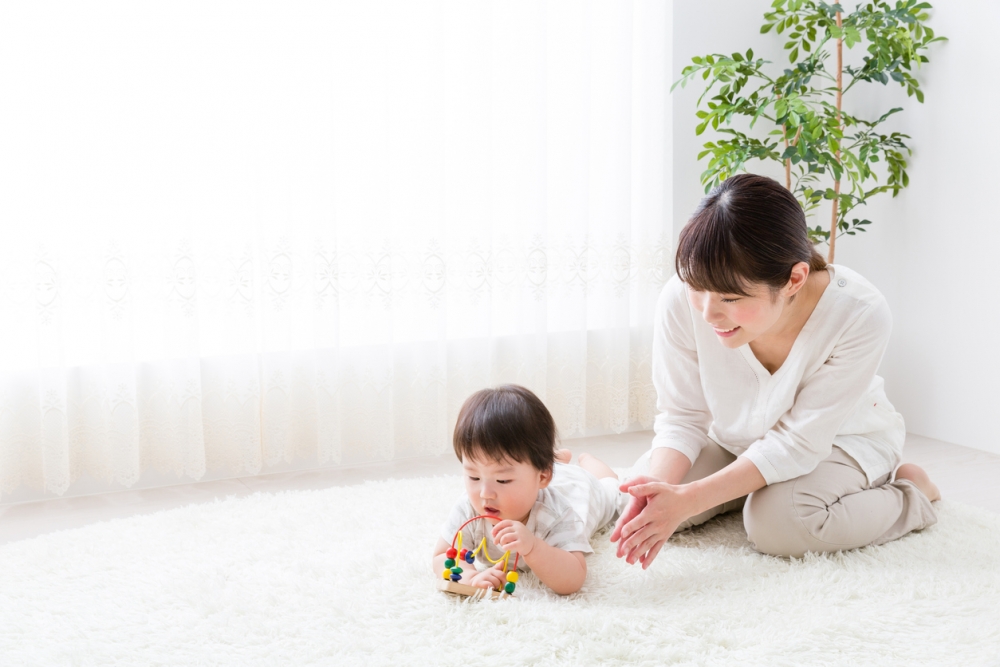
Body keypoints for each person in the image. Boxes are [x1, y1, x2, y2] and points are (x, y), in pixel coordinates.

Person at [610, 173, 940, 568]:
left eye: (730, 298)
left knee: (779, 526)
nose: (708, 312)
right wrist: (657, 493)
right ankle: (740, 490)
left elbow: (798, 444)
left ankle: (912, 495)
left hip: (840, 442)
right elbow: (682, 416)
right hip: (737, 440)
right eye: (697, 289)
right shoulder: (685, 299)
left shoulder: (860, 313)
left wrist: (693, 498)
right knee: (636, 499)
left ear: (793, 279)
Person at [432, 385, 628, 595]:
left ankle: (587, 462)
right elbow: (442, 555)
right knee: (537, 468)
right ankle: (557, 459)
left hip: (580, 489)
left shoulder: (557, 513)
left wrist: (533, 547)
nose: (485, 493)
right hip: (544, 473)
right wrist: (469, 577)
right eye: (474, 477)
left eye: (503, 480)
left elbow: (573, 579)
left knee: (610, 491)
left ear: (543, 477)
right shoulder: (469, 508)